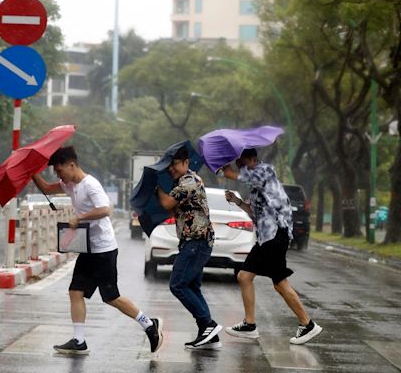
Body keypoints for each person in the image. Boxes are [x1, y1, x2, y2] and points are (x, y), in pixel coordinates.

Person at [33, 146, 163, 355]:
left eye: (60, 171)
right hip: (88, 249)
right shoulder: (70, 185)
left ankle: (149, 324)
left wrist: (80, 217)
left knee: (111, 297)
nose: (59, 176)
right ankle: (79, 340)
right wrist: (31, 172)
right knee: (75, 291)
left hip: (103, 249)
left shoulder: (90, 184)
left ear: (71, 165)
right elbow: (47, 189)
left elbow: (105, 209)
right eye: (57, 174)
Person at [222, 148, 322, 345]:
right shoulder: (256, 183)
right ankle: (250, 325)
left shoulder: (264, 171)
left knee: (279, 283)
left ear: (253, 159)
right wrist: (237, 201)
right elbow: (254, 211)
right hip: (265, 238)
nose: (240, 166)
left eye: (242, 162)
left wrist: (228, 170)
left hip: (276, 234)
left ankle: (307, 324)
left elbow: (237, 176)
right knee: (244, 276)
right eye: (238, 163)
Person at [156, 146, 222, 350]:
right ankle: (208, 332)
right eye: (170, 166)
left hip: (197, 241)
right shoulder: (184, 181)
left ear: (186, 163)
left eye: (175, 164)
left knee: (178, 285)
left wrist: (157, 187)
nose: (171, 169)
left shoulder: (188, 182)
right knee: (192, 286)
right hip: (194, 241)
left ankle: (208, 325)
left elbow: (167, 203)